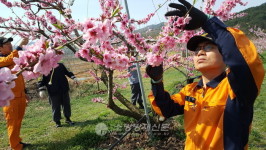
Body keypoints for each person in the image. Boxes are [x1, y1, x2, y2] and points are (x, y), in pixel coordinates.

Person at [146, 0, 265, 149]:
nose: (200, 52)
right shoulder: (190, 90)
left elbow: (245, 61)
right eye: (197, 50)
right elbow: (166, 109)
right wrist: (157, 82)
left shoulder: (236, 89)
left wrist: (207, 22)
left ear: (225, 55)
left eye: (208, 47)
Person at [0, 37, 31, 150]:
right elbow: (9, 59)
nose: (10, 45)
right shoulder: (2, 60)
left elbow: (19, 78)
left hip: (20, 95)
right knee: (12, 122)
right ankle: (15, 146)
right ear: (0, 48)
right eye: (6, 44)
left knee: (18, 121)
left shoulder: (12, 59)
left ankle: (18, 142)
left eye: (10, 43)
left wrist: (24, 92)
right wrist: (20, 46)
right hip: (10, 98)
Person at [38, 63, 78, 127]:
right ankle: (57, 121)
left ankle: (68, 118)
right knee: (55, 106)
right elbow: (41, 79)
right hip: (53, 90)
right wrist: (41, 89)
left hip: (64, 88)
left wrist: (73, 77)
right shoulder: (44, 67)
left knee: (66, 104)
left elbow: (67, 72)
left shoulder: (60, 65)